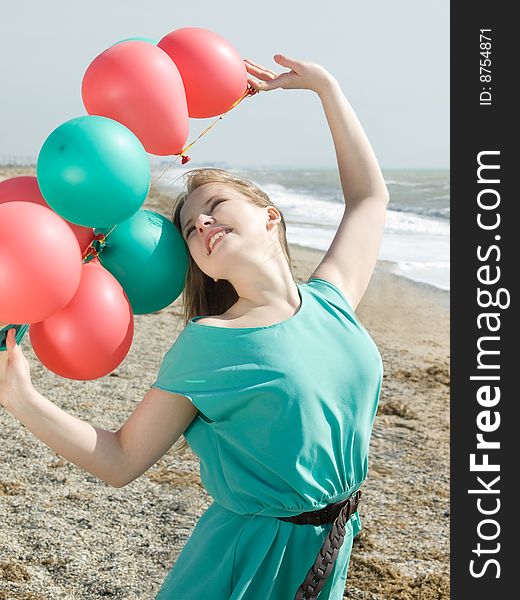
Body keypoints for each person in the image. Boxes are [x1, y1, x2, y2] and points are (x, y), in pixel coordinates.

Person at [0, 53, 389, 599]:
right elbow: (120, 460)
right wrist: (20, 397)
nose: (201, 223)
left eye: (215, 206)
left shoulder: (332, 298)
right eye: (189, 228)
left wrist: (327, 88)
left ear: (268, 213)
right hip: (247, 562)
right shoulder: (210, 344)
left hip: (333, 543)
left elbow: (369, 199)